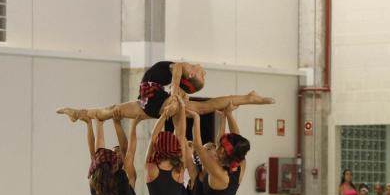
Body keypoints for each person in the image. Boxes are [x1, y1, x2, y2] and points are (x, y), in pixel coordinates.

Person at [56, 61, 275, 124]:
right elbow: (178, 68)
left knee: (204, 106)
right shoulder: (175, 72)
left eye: (201, 74)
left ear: (190, 76)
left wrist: (173, 92)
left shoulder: (179, 70)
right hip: (147, 101)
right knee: (113, 110)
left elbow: (179, 67)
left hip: (154, 99)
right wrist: (174, 92)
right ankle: (79, 113)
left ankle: (248, 98)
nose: (203, 70)